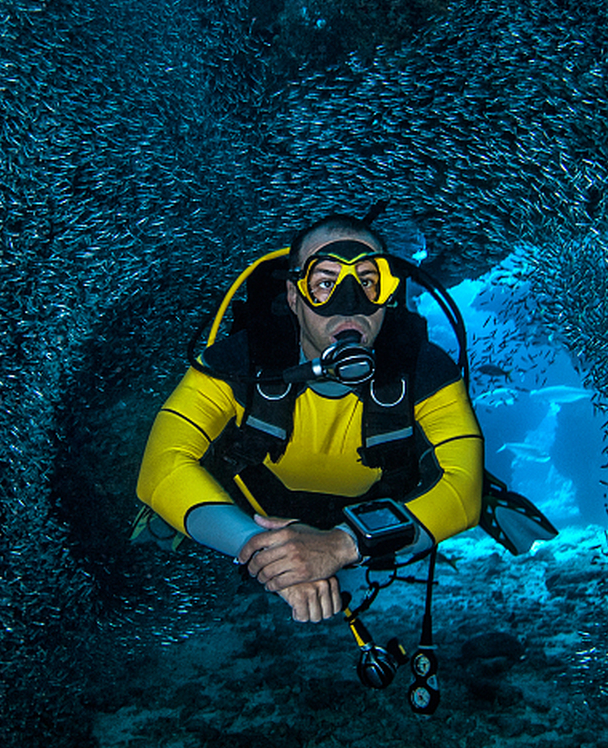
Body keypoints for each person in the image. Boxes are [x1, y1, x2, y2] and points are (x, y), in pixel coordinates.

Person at [134, 214, 486, 622]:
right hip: (253, 509)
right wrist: (279, 556)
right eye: (324, 283)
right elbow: (161, 467)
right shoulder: (237, 362)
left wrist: (339, 547)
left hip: (370, 518)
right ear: (293, 297)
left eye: (368, 282)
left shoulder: (425, 372)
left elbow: (465, 489)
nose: (350, 304)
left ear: (388, 293)